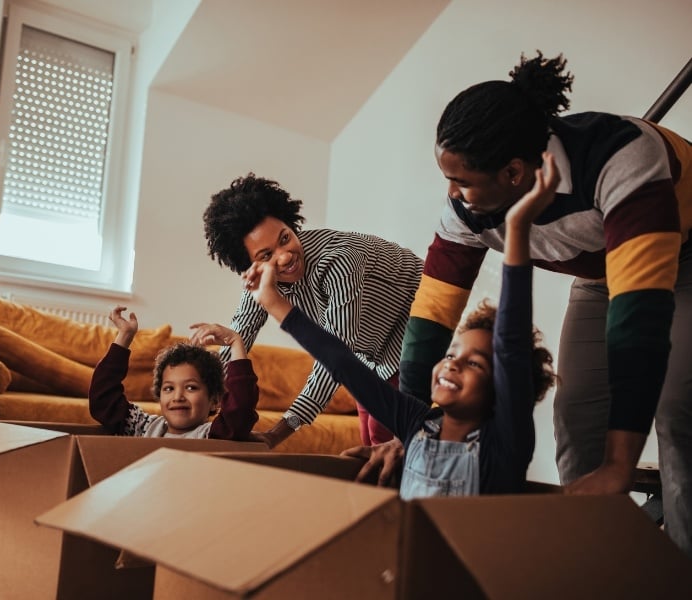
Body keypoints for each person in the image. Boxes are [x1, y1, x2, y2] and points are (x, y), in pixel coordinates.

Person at [391, 51, 692, 550]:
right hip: (599, 272)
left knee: (678, 405)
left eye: (462, 181)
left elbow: (638, 323)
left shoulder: (622, 158)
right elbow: (430, 320)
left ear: (513, 173)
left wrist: (621, 463)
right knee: (576, 411)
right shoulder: (466, 212)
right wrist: (410, 438)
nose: (452, 193)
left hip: (682, 257)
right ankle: (589, 555)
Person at [244, 153, 558, 496]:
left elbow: (511, 342)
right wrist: (274, 303)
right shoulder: (414, 423)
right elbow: (341, 361)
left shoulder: (506, 441)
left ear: (502, 386)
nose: (451, 364)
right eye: (452, 354)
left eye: (474, 363)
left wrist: (517, 229)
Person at [200, 173, 424, 450]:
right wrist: (201, 390)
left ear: (291, 224)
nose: (284, 256)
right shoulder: (262, 280)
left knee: (385, 437)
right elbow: (240, 331)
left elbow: (334, 358)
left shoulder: (339, 261)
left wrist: (278, 432)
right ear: (250, 265)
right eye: (266, 255)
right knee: (368, 438)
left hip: (415, 327)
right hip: (368, 351)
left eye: (285, 238)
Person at [89, 306, 259, 439]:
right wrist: (124, 336)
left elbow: (240, 410)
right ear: (159, 395)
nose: (178, 397)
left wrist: (236, 342)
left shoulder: (212, 435)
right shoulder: (143, 427)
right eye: (169, 389)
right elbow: (103, 400)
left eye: (191, 388)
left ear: (215, 400)